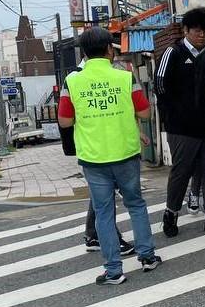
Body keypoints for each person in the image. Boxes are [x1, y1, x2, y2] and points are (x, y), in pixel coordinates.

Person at [58, 27, 161, 285]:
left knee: (104, 213)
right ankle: (147, 257)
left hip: (93, 158)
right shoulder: (125, 76)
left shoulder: (72, 81)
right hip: (126, 153)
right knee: (135, 204)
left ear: (84, 52)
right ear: (108, 51)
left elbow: (65, 120)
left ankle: (114, 270)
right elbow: (146, 113)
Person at [155, 7, 205, 236]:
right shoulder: (173, 53)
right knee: (182, 171)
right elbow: (160, 86)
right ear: (186, 30)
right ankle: (171, 211)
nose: (202, 35)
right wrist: (172, 116)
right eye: (197, 30)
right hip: (181, 127)